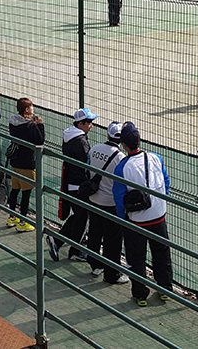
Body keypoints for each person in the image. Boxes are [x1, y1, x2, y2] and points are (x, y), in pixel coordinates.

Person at [112, 122, 172, 307]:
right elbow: (166, 182)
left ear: (123, 145)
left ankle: (140, 294)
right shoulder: (156, 157)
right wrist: (161, 203)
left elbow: (119, 197)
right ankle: (165, 290)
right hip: (159, 215)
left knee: (136, 257)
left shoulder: (122, 167)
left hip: (136, 220)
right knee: (161, 253)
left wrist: (123, 218)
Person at [46, 107, 98, 265]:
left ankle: (59, 242)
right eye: (89, 122)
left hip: (70, 183)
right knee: (82, 217)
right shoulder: (81, 141)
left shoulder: (68, 135)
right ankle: (73, 250)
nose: (91, 126)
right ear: (81, 123)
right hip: (79, 186)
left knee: (78, 216)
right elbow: (86, 164)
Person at [83, 122, 129, 284]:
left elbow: (87, 169)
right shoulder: (120, 157)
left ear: (108, 135)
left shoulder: (94, 149)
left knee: (94, 233)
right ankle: (112, 274)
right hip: (111, 204)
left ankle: (95, 265)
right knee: (113, 240)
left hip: (94, 199)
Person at [6, 97, 46, 233]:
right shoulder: (30, 126)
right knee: (26, 193)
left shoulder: (13, 122)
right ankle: (23, 222)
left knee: (15, 190)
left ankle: (12, 217)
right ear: (27, 110)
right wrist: (39, 125)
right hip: (27, 163)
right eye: (31, 107)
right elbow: (40, 141)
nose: (33, 109)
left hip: (15, 162)